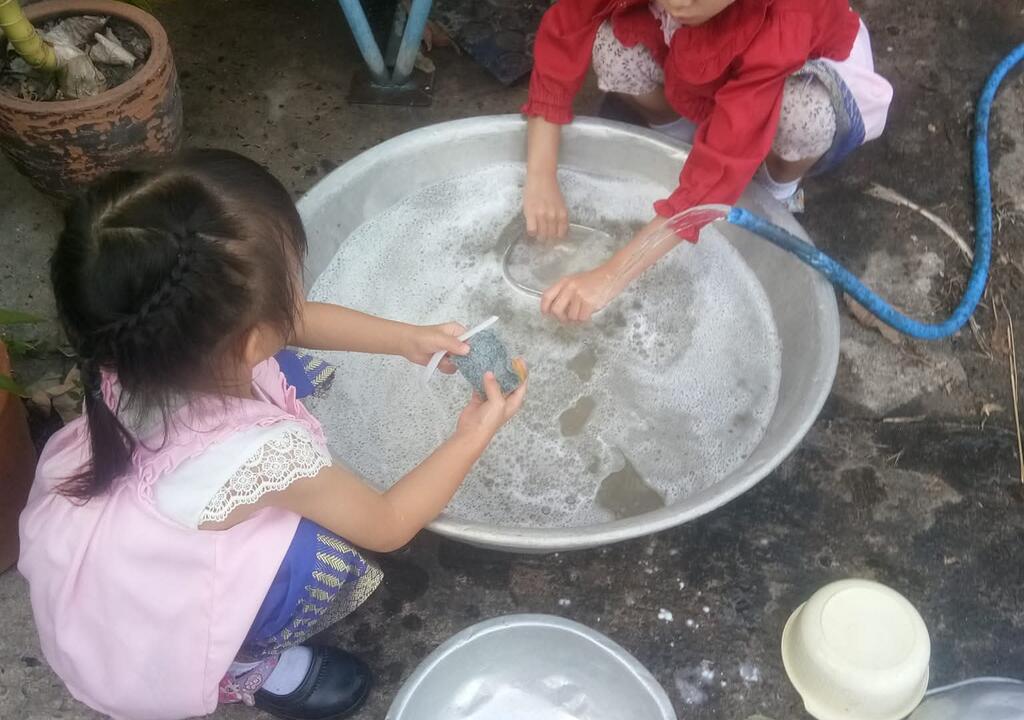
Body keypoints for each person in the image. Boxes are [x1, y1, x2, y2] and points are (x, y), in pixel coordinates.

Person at [18, 150, 527, 720]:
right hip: (173, 595)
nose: (294, 296)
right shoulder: (263, 456)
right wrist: (471, 436)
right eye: (288, 285)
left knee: (278, 363)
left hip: (131, 515)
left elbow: (289, 321)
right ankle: (239, 662)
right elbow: (387, 524)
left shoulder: (135, 342)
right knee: (310, 558)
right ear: (252, 340)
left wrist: (406, 338)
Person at [522, 0, 893, 322]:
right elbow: (567, 28)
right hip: (698, 55)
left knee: (802, 117)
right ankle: (680, 138)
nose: (680, 4)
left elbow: (724, 166)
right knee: (612, 49)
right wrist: (540, 176)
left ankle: (778, 192)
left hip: (798, 72)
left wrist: (610, 276)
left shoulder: (785, 17)